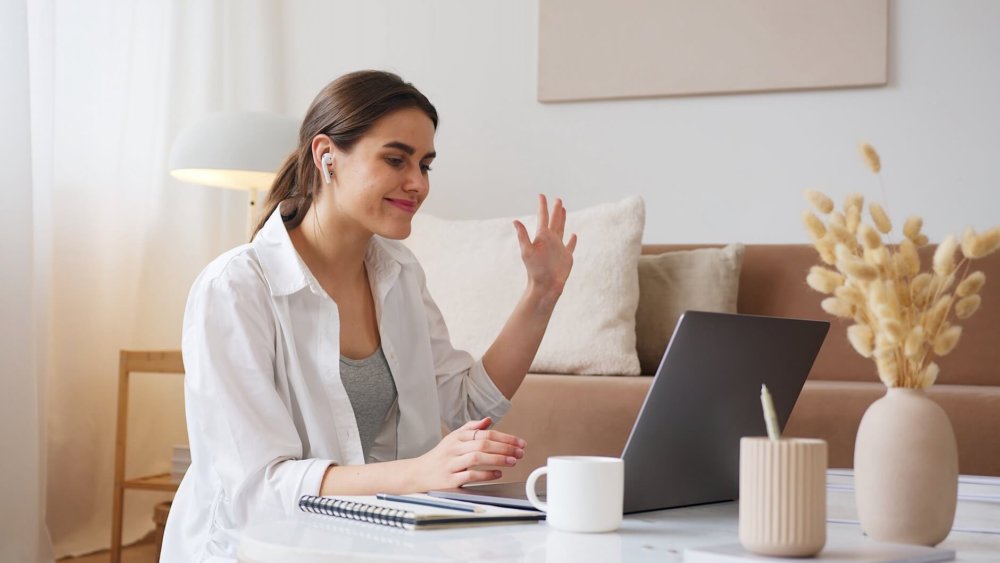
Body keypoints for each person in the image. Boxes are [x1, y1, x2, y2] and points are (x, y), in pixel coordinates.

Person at [160, 70, 577, 561]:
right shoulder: (234, 288)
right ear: (326, 155)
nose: (417, 183)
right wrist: (421, 472)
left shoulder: (399, 273)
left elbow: (465, 403)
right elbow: (258, 489)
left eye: (425, 165)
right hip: (258, 547)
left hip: (371, 540)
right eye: (396, 159)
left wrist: (541, 293)